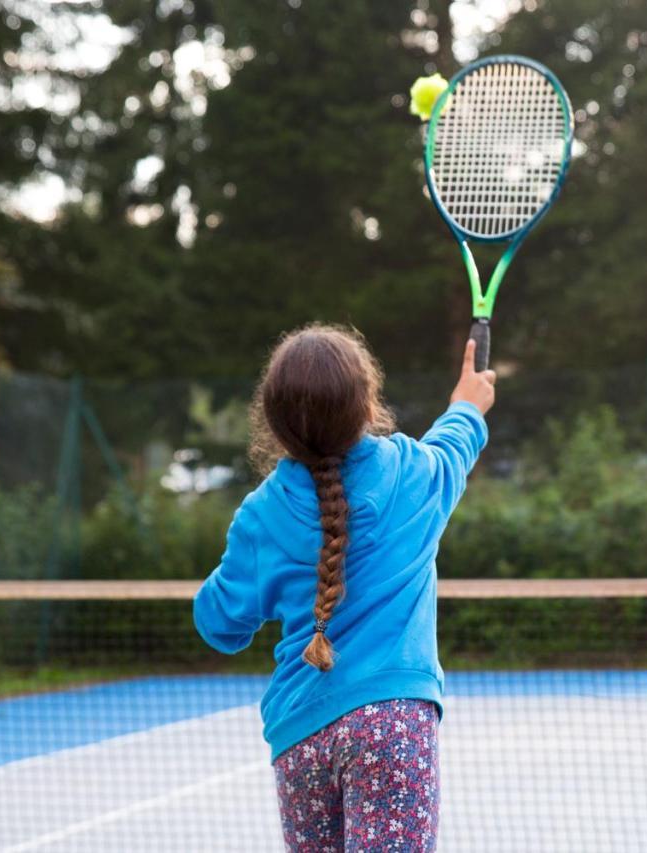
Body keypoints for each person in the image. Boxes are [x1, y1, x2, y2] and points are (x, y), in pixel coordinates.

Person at [193, 324, 495, 851]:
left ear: (276, 422)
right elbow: (454, 445)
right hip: (394, 725)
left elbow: (219, 626)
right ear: (367, 404)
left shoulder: (261, 515)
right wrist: (468, 405)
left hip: (300, 733)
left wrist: (243, 564)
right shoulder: (411, 474)